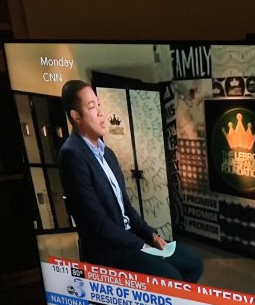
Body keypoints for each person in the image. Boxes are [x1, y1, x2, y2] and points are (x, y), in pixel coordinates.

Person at [58, 80, 203, 283]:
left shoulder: (107, 153)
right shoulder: (71, 155)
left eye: (99, 104)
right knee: (171, 276)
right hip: (109, 249)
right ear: (76, 116)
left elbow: (126, 207)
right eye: (91, 107)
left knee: (194, 263)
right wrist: (140, 244)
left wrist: (150, 235)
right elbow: (97, 224)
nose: (101, 112)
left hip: (131, 237)